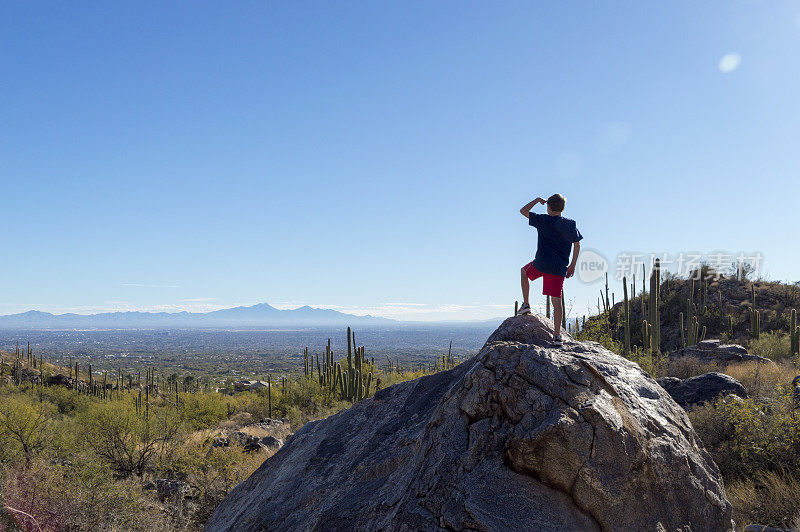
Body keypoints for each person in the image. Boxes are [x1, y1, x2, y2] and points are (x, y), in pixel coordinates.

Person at [517, 194, 582, 346]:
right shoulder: (571, 224)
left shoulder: (543, 220)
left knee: (524, 272)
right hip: (559, 267)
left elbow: (523, 211)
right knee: (556, 300)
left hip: (541, 263)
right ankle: (557, 336)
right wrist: (572, 265)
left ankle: (526, 305)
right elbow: (577, 244)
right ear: (563, 208)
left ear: (548, 207)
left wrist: (536, 200)